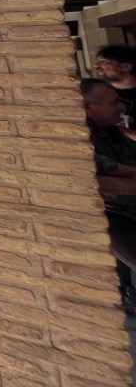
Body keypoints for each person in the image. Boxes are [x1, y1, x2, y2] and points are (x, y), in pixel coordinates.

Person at [82, 77, 136, 305]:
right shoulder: (74, 134)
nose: (122, 107)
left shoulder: (112, 131)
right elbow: (91, 163)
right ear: (88, 107)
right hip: (110, 217)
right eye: (114, 102)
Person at [95, 45, 136, 128]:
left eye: (104, 61)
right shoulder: (96, 93)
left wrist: (122, 131)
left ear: (126, 67)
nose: (95, 66)